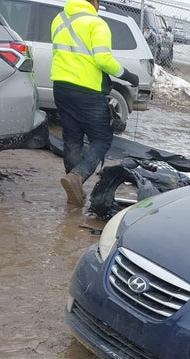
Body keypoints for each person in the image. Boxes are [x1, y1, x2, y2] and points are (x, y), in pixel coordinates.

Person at [51, 0, 139, 207]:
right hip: (88, 91)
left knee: (72, 138)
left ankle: (74, 189)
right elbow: (103, 60)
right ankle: (77, 176)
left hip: (61, 87)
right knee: (102, 139)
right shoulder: (96, 23)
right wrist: (128, 76)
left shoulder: (59, 19)